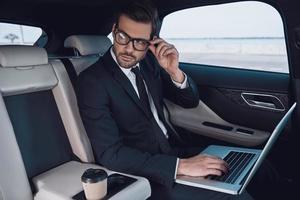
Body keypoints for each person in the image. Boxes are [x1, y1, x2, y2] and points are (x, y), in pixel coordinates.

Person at [77, 0, 253, 199]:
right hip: (147, 172)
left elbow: (189, 101)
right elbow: (111, 154)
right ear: (114, 30)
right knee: (236, 195)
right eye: (123, 37)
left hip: (174, 149)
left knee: (254, 167)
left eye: (140, 42)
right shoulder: (93, 81)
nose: (129, 49)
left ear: (151, 42)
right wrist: (181, 166)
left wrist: (174, 71)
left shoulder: (149, 63)